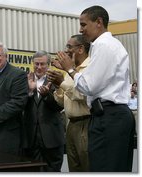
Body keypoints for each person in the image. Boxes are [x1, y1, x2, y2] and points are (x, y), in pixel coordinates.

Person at [56, 6, 135, 172]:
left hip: (109, 117)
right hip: (109, 116)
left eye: (84, 24)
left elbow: (89, 86)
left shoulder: (104, 45)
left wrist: (70, 69)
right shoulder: (106, 45)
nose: (80, 29)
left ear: (99, 22)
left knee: (105, 168)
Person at [47, 34, 91, 172]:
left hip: (86, 124)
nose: (66, 51)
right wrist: (57, 85)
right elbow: (62, 102)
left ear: (81, 49)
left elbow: (83, 95)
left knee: (87, 166)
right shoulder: (70, 70)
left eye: (69, 47)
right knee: (74, 168)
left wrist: (62, 82)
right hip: (71, 125)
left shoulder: (90, 67)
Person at [22, 50, 64, 172]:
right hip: (30, 137)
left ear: (49, 64)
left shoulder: (57, 80)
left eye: (42, 64)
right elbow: (19, 105)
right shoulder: (24, 80)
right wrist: (29, 91)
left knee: (53, 170)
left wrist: (47, 96)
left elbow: (60, 106)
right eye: (36, 64)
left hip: (52, 137)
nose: (39, 67)